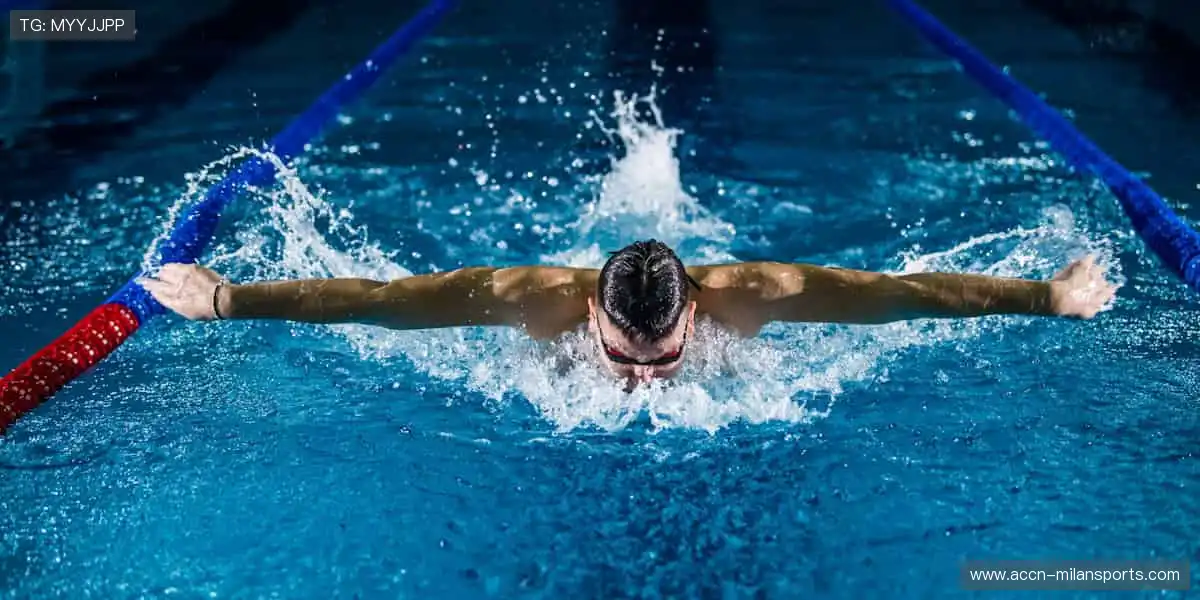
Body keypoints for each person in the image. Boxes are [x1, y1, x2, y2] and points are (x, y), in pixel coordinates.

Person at [138, 239, 1117, 387]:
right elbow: (382, 305)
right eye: (622, 355)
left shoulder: (759, 293)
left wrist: (1050, 296)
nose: (642, 378)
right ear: (589, 312)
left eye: (662, 357)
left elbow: (906, 296)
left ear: (696, 309)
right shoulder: (527, 300)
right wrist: (225, 299)